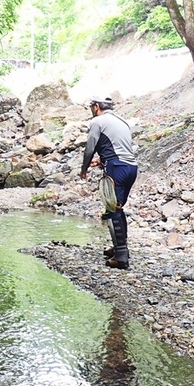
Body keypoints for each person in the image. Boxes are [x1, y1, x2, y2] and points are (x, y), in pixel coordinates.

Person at [80, 96, 138, 269]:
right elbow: (119, 146)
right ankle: (119, 247)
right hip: (131, 167)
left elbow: (90, 146)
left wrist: (84, 168)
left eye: (91, 107)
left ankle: (121, 257)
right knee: (118, 207)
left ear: (96, 107)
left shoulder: (98, 121)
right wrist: (102, 160)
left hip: (116, 167)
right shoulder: (122, 121)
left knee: (112, 209)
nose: (91, 110)